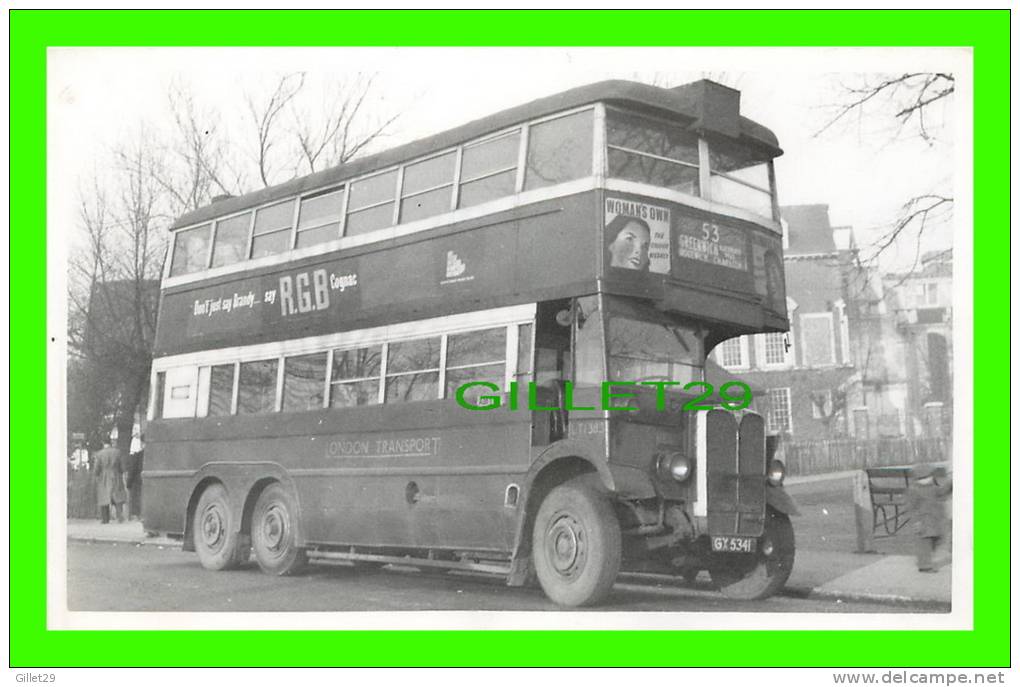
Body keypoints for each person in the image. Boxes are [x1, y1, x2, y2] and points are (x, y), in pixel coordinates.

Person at [906, 463, 952, 572]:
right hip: (923, 521)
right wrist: (916, 521)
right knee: (924, 544)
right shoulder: (914, 490)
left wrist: (950, 484)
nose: (930, 479)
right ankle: (925, 565)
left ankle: (924, 560)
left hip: (934, 520)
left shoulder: (932, 488)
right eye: (928, 477)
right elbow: (911, 507)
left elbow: (942, 492)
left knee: (937, 539)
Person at [93, 437, 127, 524]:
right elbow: (121, 466)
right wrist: (120, 472)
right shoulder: (117, 452)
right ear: (111, 442)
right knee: (117, 495)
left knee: (104, 496)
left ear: (103, 443)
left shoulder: (99, 454)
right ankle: (120, 517)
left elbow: (97, 468)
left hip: (104, 476)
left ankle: (105, 519)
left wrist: (96, 475)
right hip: (115, 475)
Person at [125, 439, 144, 521]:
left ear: (142, 443)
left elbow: (132, 470)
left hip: (139, 481)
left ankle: (138, 515)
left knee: (138, 497)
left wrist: (128, 483)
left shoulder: (138, 455)